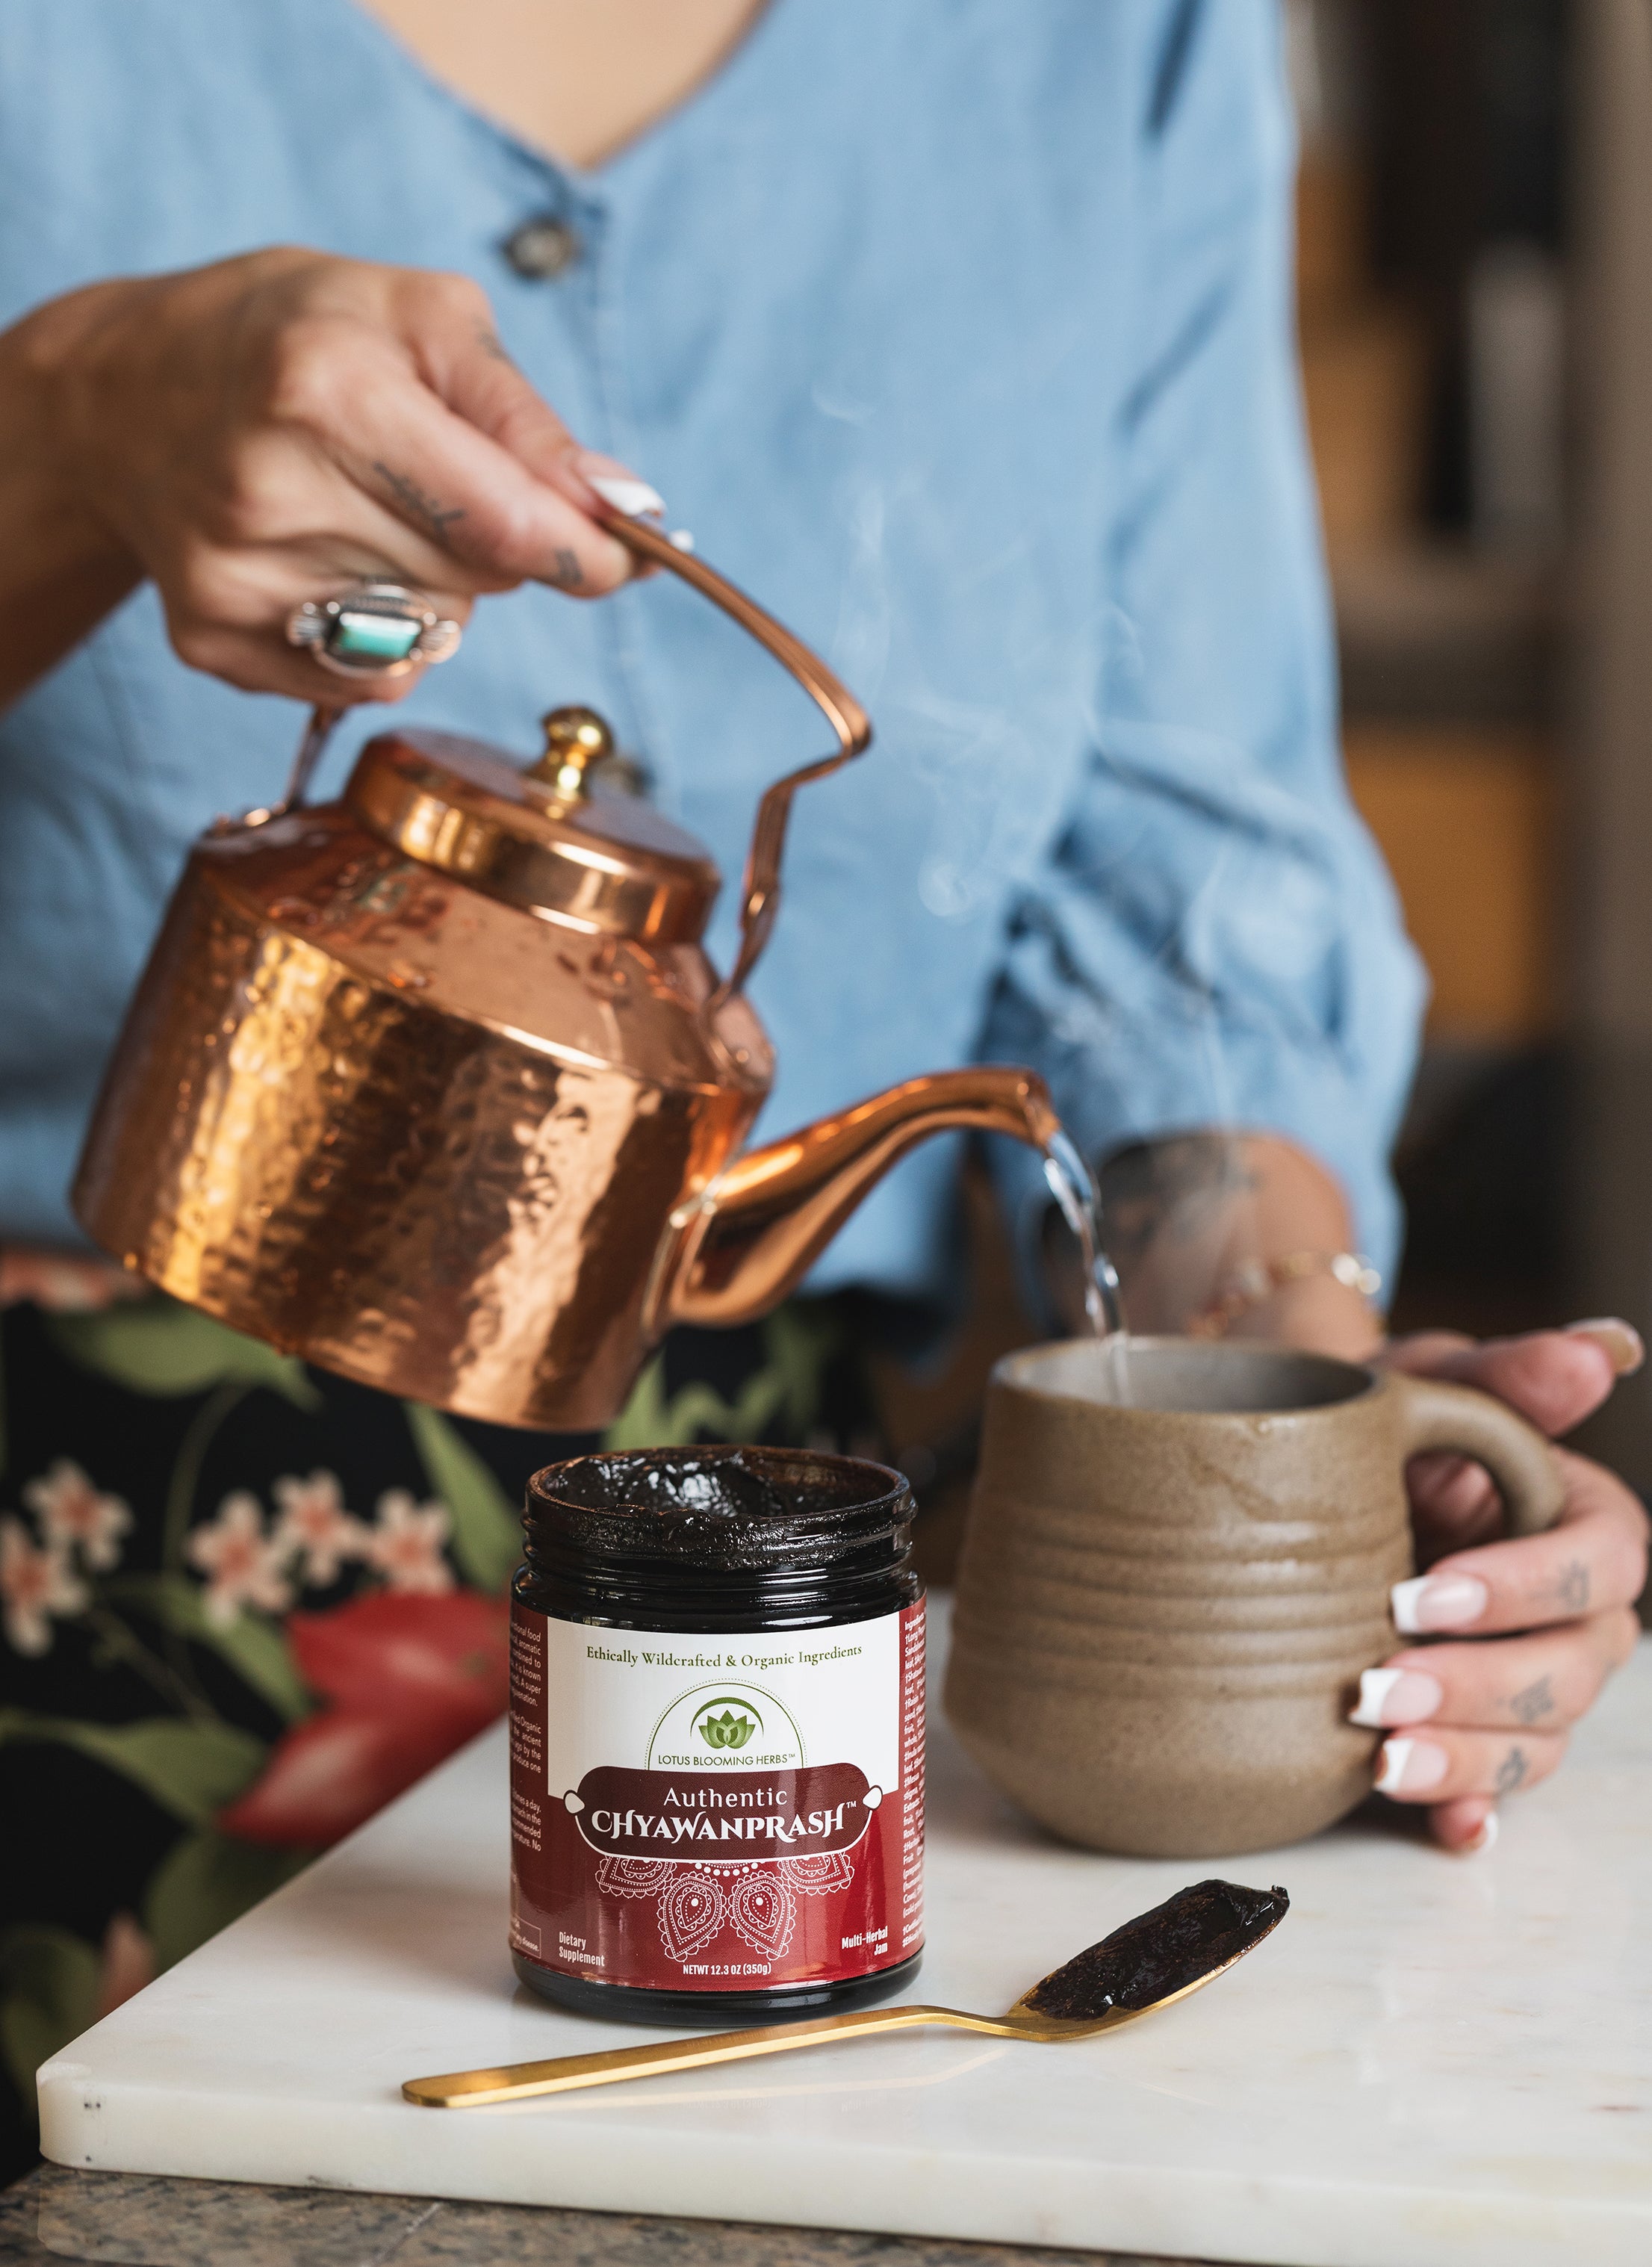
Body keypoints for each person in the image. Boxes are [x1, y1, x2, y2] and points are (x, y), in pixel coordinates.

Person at [0, 0, 1644, 2174]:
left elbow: (1170, 900)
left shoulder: (1110, 38)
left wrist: (1303, 1444)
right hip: (65, 1567)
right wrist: (63, 427)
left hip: (764, 1616)